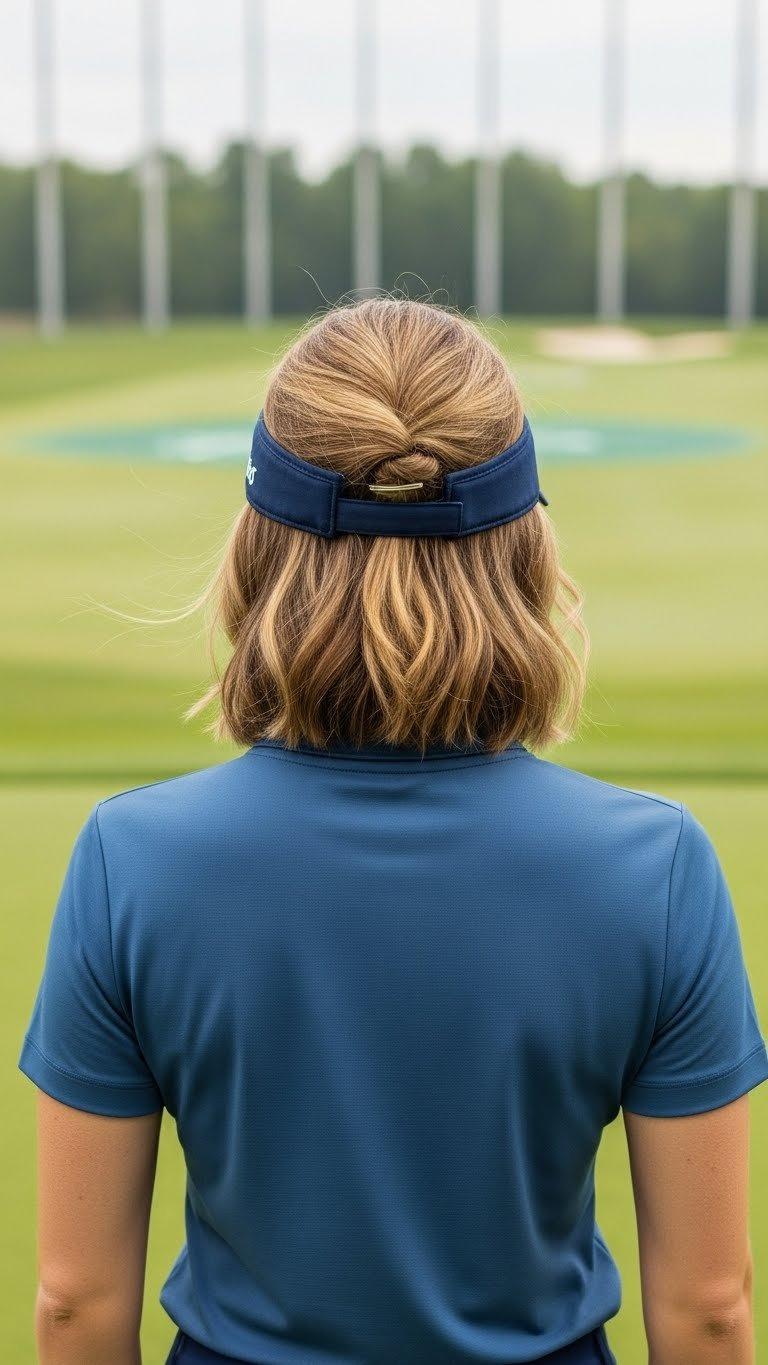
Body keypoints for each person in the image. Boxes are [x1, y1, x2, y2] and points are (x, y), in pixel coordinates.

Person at [18, 296, 768, 1365]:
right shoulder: (657, 867)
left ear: (260, 544)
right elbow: (706, 1311)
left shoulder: (130, 860)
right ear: (522, 545)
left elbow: (76, 1305)